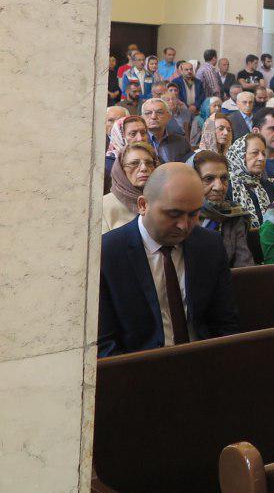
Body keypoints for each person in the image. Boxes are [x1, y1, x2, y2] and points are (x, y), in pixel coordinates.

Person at [98, 163, 240, 356]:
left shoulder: (209, 245)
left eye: (193, 214)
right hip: (137, 370)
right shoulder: (109, 253)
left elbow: (225, 322)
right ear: (143, 205)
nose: (183, 226)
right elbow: (104, 343)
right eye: (173, 214)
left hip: (204, 363)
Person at [192, 149, 255, 267]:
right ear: (191, 181)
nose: (219, 187)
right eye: (208, 179)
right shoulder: (181, 218)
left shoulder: (233, 216)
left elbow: (244, 266)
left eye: (224, 178)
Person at [103, 142, 158, 232]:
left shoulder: (162, 200)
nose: (144, 168)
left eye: (149, 163)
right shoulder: (104, 206)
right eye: (134, 163)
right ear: (121, 170)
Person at [226, 132, 274, 232]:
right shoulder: (226, 188)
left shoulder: (269, 186)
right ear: (239, 155)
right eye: (255, 153)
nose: (261, 158)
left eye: (263, 153)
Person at [140, 97, 194, 164]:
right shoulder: (140, 142)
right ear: (142, 118)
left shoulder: (181, 141)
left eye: (159, 112)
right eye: (148, 113)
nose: (153, 117)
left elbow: (190, 164)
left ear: (169, 116)